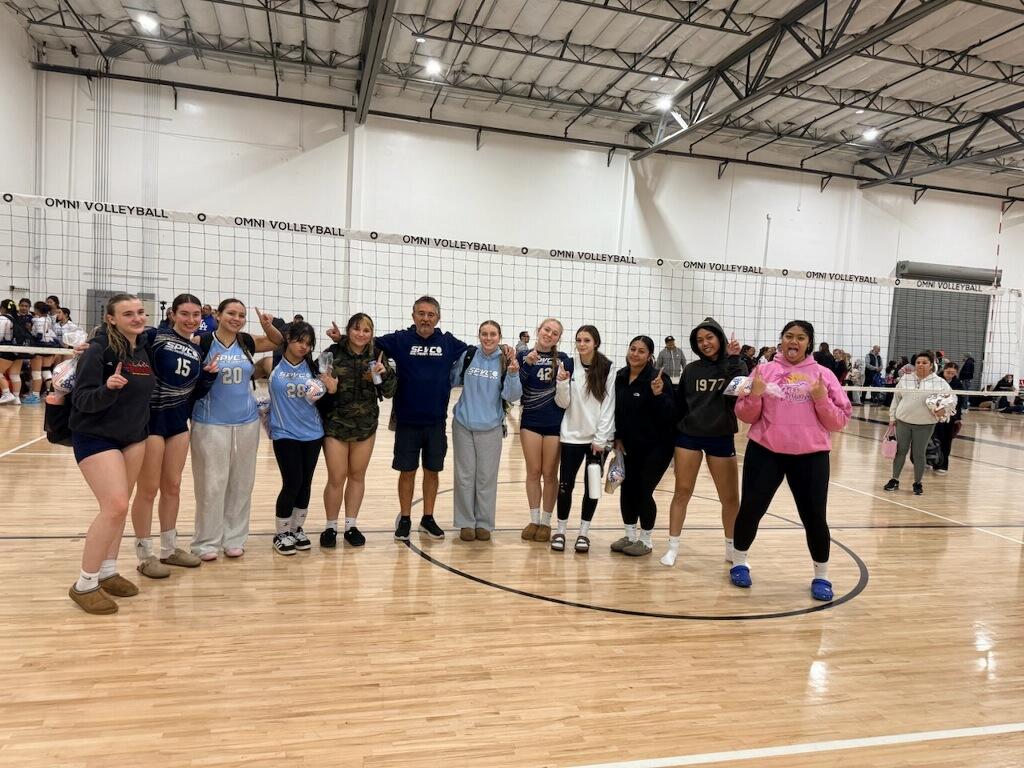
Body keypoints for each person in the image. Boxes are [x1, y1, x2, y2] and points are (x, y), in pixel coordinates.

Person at [731, 320, 851, 601]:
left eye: (800, 337)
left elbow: (839, 421)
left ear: (809, 343)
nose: (793, 341)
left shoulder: (823, 375)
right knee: (750, 509)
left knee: (815, 518)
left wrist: (821, 399)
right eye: (788, 336)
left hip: (811, 457)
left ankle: (822, 576)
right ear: (781, 340)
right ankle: (739, 563)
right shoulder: (764, 371)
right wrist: (756, 394)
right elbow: (744, 415)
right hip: (766, 452)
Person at [67, 294, 156, 615]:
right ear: (111, 319)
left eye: (140, 312)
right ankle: (85, 584)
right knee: (115, 506)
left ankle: (107, 571)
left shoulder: (143, 346)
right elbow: (82, 400)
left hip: (133, 437)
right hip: (96, 436)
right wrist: (108, 389)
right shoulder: (97, 350)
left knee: (121, 507)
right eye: (128, 314)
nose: (137, 318)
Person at [130, 294, 218, 579]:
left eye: (196, 315)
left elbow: (195, 392)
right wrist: (93, 344)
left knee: (173, 486)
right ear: (173, 315)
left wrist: (208, 377)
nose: (191, 320)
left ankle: (169, 549)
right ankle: (145, 555)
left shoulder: (197, 350)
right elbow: (119, 341)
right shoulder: (154, 337)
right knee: (148, 489)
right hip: (152, 423)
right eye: (185, 314)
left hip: (178, 423)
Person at [369, 296, 469, 541]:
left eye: (430, 314)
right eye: (421, 314)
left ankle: (428, 518)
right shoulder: (400, 340)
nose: (425, 319)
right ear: (413, 316)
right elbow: (363, 341)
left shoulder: (448, 342)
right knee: (407, 471)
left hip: (436, 422)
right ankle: (405, 518)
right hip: (407, 421)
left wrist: (505, 350)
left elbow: (477, 352)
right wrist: (339, 339)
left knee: (432, 471)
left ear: (438, 318)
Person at [190, 299, 283, 560]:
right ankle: (206, 542)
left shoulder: (246, 341)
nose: (237, 318)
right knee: (211, 484)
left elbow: (277, 342)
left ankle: (234, 538)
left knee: (242, 482)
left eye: (241, 315)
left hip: (247, 421)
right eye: (231, 313)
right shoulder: (202, 342)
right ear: (218, 315)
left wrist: (268, 325)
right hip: (210, 421)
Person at [659, 318, 746, 567]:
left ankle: (732, 550)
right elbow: (679, 405)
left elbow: (738, 395)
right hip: (689, 436)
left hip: (721, 437)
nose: (705, 343)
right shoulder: (692, 369)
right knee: (682, 491)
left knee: (730, 498)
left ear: (720, 338)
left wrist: (733, 360)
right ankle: (673, 547)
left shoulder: (736, 364)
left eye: (709, 337)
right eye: (699, 340)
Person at [317, 313, 396, 547]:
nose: (361, 334)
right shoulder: (331, 354)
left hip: (365, 426)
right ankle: (330, 527)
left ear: (371, 334)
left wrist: (384, 374)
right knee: (336, 477)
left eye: (366, 330)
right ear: (348, 330)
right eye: (356, 328)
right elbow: (316, 389)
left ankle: (351, 526)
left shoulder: (378, 355)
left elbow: (390, 392)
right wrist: (328, 388)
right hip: (335, 425)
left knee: (357, 476)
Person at [451, 321, 523, 541]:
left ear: (499, 336)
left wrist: (513, 374)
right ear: (479, 335)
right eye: (484, 334)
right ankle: (465, 523)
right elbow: (452, 379)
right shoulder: (469, 355)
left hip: (491, 427)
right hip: (463, 424)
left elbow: (512, 396)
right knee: (464, 477)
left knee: (486, 478)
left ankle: (484, 523)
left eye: (493, 334)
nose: (488, 338)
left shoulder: (505, 360)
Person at [552, 325, 616, 553]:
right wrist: (562, 383)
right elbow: (562, 403)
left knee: (592, 488)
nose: (581, 344)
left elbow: (609, 406)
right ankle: (560, 531)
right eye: (578, 340)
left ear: (595, 343)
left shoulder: (608, 367)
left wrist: (601, 439)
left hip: (597, 441)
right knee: (565, 486)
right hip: (571, 436)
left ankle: (583, 533)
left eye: (586, 340)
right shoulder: (568, 364)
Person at [611, 336, 674, 557]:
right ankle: (629, 536)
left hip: (657, 447)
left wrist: (658, 395)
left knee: (643, 491)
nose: (635, 354)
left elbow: (670, 414)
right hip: (628, 445)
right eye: (633, 349)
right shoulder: (620, 376)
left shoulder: (658, 378)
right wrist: (617, 438)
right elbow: (616, 411)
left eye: (641, 351)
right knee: (627, 489)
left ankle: (646, 540)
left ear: (649, 356)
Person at [268, 322, 325, 556]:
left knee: (305, 483)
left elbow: (325, 393)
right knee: (292, 482)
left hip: (313, 434)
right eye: (300, 341)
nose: (304, 347)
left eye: (309, 344)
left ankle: (296, 528)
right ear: (288, 339)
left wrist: (326, 386)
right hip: (284, 433)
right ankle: (281, 533)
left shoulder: (314, 368)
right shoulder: (272, 363)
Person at [518, 318, 572, 543]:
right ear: (538, 330)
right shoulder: (523, 356)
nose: (549, 334)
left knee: (550, 473)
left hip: (555, 423)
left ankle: (547, 522)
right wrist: (527, 365)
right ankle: (534, 519)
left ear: (559, 338)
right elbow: (516, 388)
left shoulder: (564, 360)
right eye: (546, 330)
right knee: (533, 471)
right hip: (530, 421)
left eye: (555, 333)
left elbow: (567, 395)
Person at [883, 350, 951, 496]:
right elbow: (896, 399)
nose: (920, 365)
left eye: (924, 362)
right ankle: (894, 479)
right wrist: (892, 418)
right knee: (900, 451)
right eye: (918, 362)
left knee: (919, 454)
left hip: (925, 425)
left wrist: (943, 413)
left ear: (931, 365)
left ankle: (917, 483)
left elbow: (950, 401)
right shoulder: (906, 379)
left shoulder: (940, 383)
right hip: (903, 422)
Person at [933, 362, 963, 475]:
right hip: (935, 415)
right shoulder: (936, 380)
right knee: (935, 439)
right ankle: (930, 460)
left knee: (947, 440)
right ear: (944, 370)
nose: (950, 375)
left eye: (953, 373)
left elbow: (960, 402)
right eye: (948, 372)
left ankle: (942, 465)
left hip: (950, 417)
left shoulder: (958, 383)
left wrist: (958, 418)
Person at [0, 298, 27, 405]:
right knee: (15, 374)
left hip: (7, 349)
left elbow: (0, 335)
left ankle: (7, 393)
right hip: (19, 349)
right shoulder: (17, 318)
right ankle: (16, 398)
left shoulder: (3, 318)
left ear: (2, 308)